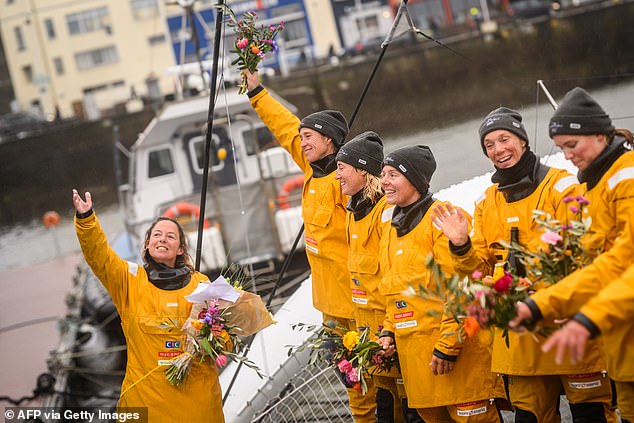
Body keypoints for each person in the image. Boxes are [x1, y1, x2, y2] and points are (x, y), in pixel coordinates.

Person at [431, 106, 617, 422]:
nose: (498, 149)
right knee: (529, 416)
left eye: (505, 139)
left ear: (523, 140)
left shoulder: (562, 187)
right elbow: (477, 270)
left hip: (568, 325)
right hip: (519, 338)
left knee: (591, 414)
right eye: (489, 145)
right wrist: (460, 244)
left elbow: (588, 253)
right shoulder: (486, 202)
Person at [243, 70, 373, 420]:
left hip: (358, 303)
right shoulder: (310, 165)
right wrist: (257, 93)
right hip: (329, 305)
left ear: (330, 141)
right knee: (351, 381)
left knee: (374, 378)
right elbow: (285, 127)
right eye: (302, 138)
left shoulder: (345, 181)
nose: (301, 142)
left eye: (310, 137)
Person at [509, 86, 634, 421]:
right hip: (622, 349)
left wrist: (587, 318)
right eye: (561, 147)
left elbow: (626, 264)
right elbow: (603, 266)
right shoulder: (597, 185)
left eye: (572, 145)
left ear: (599, 134)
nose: (566, 156)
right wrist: (541, 306)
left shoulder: (626, 178)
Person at [72, 189, 224, 422]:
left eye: (170, 236)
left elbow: (222, 338)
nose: (162, 239)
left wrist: (212, 338)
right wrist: (86, 219)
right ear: (147, 244)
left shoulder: (201, 285)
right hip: (145, 406)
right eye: (157, 235)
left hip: (198, 407)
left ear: (181, 249)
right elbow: (99, 256)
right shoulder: (129, 280)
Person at [377, 145, 505, 422]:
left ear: (415, 179)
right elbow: (394, 293)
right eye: (383, 174)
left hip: (457, 362)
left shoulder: (443, 219)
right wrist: (388, 331)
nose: (384, 181)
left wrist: (448, 347)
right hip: (419, 372)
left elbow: (463, 290)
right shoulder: (390, 230)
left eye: (393, 174)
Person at [335, 131, 421, 423]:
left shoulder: (386, 213)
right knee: (385, 412)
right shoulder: (352, 213)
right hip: (369, 334)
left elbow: (396, 273)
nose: (337, 175)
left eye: (342, 168)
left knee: (410, 412)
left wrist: (391, 331)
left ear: (362, 170)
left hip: (391, 334)